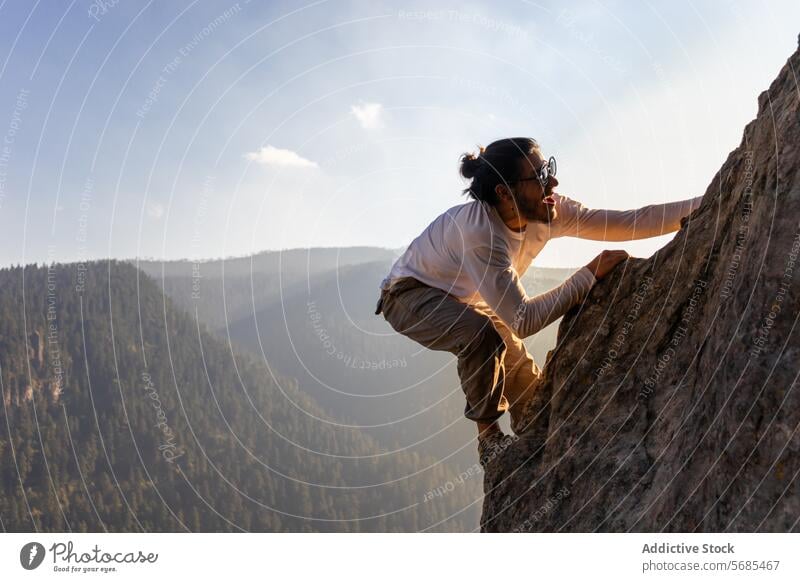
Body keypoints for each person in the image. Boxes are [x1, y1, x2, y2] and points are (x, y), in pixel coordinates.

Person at [374, 137, 703, 466]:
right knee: (480, 336)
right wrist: (587, 275)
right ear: (505, 193)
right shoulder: (480, 234)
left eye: (548, 169)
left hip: (475, 297)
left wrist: (711, 201)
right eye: (540, 175)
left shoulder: (550, 210)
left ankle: (535, 446)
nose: (553, 181)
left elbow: (630, 221)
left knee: (535, 400)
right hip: (408, 293)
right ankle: (488, 438)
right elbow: (524, 321)